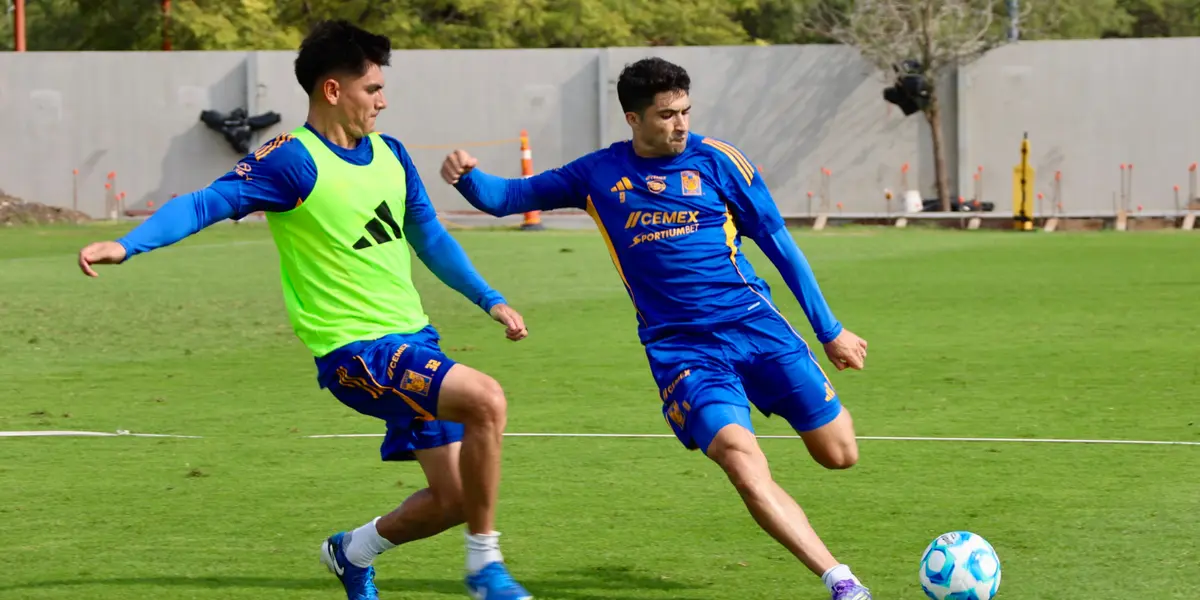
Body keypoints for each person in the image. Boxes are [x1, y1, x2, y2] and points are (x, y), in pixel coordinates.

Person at [76, 20, 533, 600]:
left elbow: (432, 240)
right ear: (333, 90)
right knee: (487, 399)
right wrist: (126, 244)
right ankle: (484, 568)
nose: (384, 101)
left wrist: (490, 299)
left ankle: (352, 551)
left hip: (416, 341)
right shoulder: (292, 160)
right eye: (372, 89)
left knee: (458, 499)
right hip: (357, 353)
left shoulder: (391, 154)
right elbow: (206, 201)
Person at [440, 57, 872, 600]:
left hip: (758, 330)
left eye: (686, 111)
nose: (681, 123)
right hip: (685, 352)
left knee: (839, 453)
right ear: (633, 118)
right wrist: (467, 177)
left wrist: (829, 330)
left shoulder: (720, 162)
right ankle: (842, 581)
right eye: (667, 114)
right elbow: (507, 198)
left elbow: (780, 245)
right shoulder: (596, 175)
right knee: (742, 460)